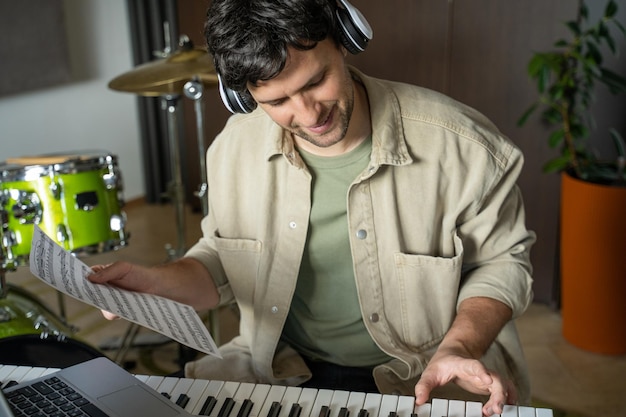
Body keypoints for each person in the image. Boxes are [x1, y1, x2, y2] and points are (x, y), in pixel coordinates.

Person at [89, 0, 536, 415]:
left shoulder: (466, 147)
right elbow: (222, 263)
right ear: (243, 96)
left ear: (345, 38)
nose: (307, 114)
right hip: (280, 365)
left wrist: (460, 345)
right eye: (277, 102)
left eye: (315, 81)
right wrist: (155, 283)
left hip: (425, 372)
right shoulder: (233, 148)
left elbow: (503, 264)